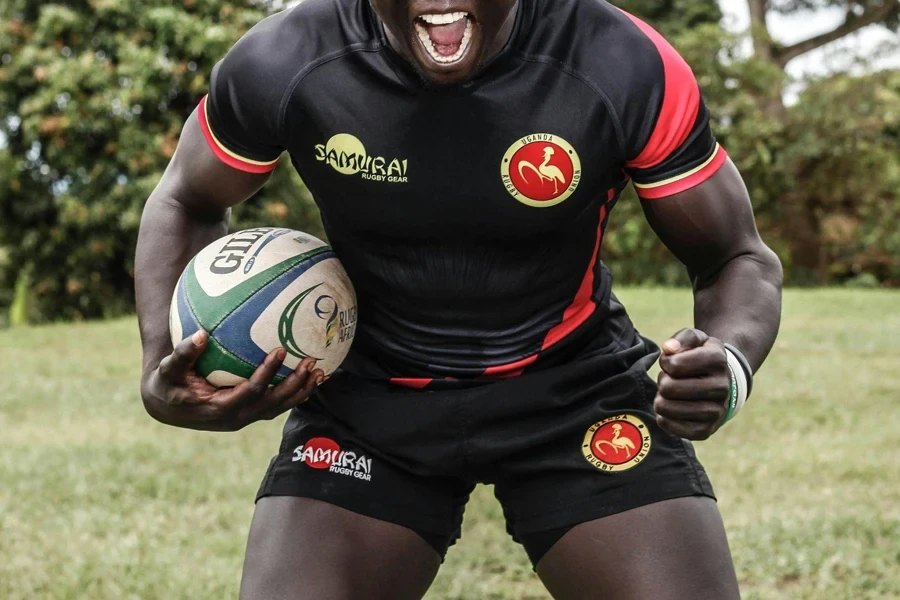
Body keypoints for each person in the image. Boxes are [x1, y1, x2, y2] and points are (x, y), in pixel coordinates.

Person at [135, 0, 783, 597]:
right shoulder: (285, 58)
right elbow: (186, 198)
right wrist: (165, 362)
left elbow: (734, 256)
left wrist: (729, 363)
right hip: (371, 397)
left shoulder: (620, 61)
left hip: (573, 389)